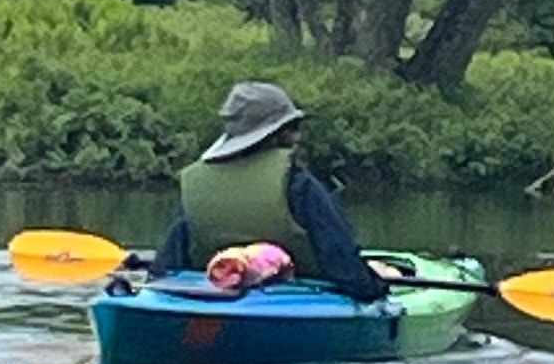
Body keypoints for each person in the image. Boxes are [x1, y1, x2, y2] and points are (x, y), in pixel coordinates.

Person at [142, 80, 387, 300]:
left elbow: (164, 269)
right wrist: (375, 289)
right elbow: (342, 261)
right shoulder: (297, 183)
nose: (297, 136)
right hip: (299, 302)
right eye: (292, 127)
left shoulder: (197, 184)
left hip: (212, 297)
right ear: (275, 134)